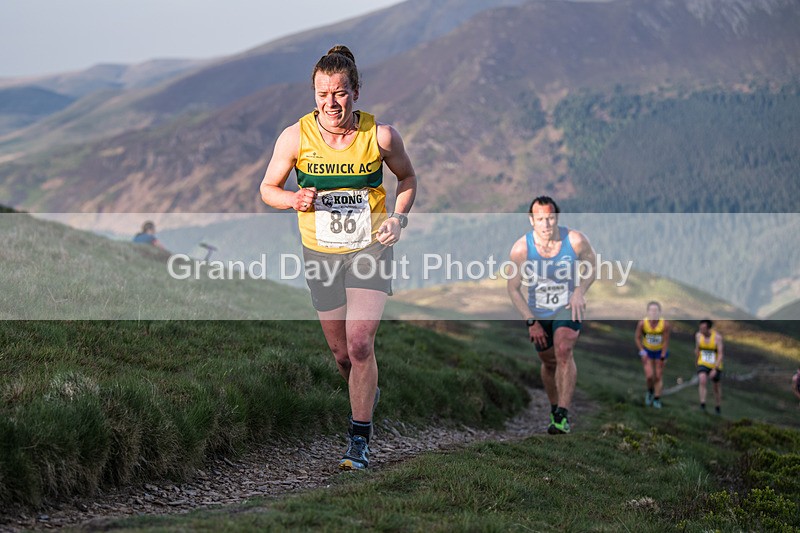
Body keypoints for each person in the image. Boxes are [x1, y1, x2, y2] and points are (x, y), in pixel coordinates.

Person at [259, 45, 417, 470]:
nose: (331, 103)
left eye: (341, 93)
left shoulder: (380, 136)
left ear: (356, 92)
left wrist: (398, 220)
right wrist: (294, 198)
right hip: (321, 254)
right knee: (343, 356)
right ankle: (366, 394)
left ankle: (358, 440)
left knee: (361, 342)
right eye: (322, 93)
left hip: (370, 248)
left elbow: (407, 178)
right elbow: (267, 189)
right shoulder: (295, 137)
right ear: (313, 93)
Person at [507, 196, 597, 434]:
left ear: (556, 217)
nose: (546, 224)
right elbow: (513, 289)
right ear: (531, 220)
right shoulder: (521, 249)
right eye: (540, 219)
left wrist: (579, 291)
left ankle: (562, 415)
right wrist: (531, 321)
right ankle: (554, 406)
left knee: (564, 350)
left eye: (550, 218)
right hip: (538, 311)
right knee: (549, 363)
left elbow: (592, 265)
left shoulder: (575, 240)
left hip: (568, 306)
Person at [634, 301, 671, 409]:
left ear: (659, 312)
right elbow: (637, 337)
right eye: (651, 310)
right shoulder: (642, 323)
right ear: (647, 312)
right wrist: (642, 351)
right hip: (647, 351)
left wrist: (663, 355)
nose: (653, 312)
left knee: (658, 375)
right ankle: (650, 392)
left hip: (660, 351)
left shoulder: (665, 324)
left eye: (656, 310)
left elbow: (666, 341)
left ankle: (657, 399)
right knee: (649, 376)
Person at [695, 319, 724, 414]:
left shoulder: (717, 338)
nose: (701, 330)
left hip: (715, 364)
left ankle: (718, 406)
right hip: (702, 362)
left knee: (716, 387)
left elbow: (720, 354)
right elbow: (697, 349)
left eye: (703, 328)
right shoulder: (698, 336)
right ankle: (702, 404)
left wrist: (715, 368)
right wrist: (696, 361)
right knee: (702, 379)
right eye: (700, 328)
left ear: (708, 328)